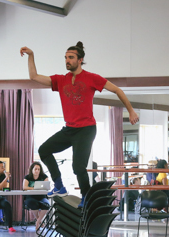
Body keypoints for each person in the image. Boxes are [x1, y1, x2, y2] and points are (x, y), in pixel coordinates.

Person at [20, 42, 139, 208]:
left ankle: (86, 197)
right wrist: (31, 56)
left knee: (78, 167)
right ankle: (59, 186)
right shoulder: (61, 80)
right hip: (69, 129)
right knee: (43, 150)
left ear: (80, 60)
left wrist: (131, 111)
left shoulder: (92, 78)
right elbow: (34, 76)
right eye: (66, 58)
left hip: (86, 129)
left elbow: (117, 90)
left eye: (71, 58)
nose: (67, 61)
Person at [23, 162, 51, 229]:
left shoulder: (44, 176)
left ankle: (38, 221)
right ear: (32, 169)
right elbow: (24, 187)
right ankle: (39, 220)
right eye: (35, 169)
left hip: (42, 197)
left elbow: (48, 187)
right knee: (33, 203)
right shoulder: (27, 177)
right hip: (30, 197)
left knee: (46, 205)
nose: (37, 171)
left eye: (38, 169)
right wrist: (34, 188)